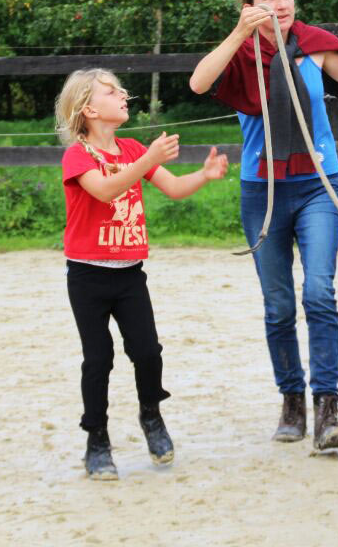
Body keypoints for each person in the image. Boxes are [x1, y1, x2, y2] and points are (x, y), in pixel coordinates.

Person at [188, 0, 338, 451]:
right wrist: (238, 33)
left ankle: (326, 406)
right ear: (250, 6)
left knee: (318, 291)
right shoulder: (240, 53)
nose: (279, 4)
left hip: (319, 184)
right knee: (278, 306)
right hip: (263, 191)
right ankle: (291, 401)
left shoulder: (314, 45)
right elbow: (197, 83)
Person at [54, 67, 229, 480]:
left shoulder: (132, 148)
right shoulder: (78, 155)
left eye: (122, 90)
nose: (123, 96)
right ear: (89, 109)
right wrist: (148, 159)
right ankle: (96, 440)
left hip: (130, 274)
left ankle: (151, 416)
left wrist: (203, 176)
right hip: (87, 276)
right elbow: (105, 190)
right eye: (112, 92)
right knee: (98, 359)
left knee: (148, 352)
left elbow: (172, 187)